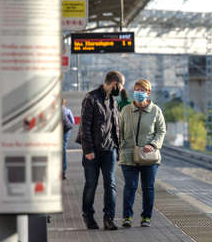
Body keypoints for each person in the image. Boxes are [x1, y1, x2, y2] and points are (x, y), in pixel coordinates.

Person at [77, 71, 125, 230]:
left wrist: (118, 148)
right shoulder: (91, 98)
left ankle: (108, 218)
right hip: (93, 150)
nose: (121, 89)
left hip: (109, 150)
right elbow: (85, 127)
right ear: (114, 84)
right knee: (91, 184)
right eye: (121, 86)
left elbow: (116, 127)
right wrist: (88, 149)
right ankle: (88, 216)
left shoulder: (114, 101)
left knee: (110, 183)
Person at [119, 79, 166, 228]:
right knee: (130, 186)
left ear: (148, 92)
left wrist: (153, 145)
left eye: (142, 90)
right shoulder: (126, 110)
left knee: (148, 188)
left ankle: (146, 217)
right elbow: (119, 131)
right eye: (136, 90)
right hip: (128, 155)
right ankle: (127, 217)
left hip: (149, 156)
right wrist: (120, 146)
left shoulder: (155, 111)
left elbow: (161, 131)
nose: (138, 93)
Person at [61, 99, 75, 180]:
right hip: (67, 129)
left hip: (62, 129)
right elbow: (72, 121)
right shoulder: (67, 110)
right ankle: (63, 171)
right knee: (63, 149)